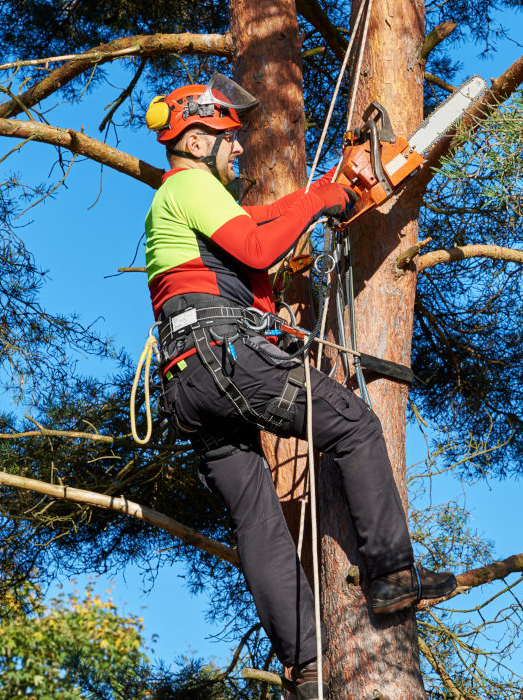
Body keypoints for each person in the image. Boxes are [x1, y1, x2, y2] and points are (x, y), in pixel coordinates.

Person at [144, 74, 457, 699]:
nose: (239, 150)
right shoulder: (190, 187)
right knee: (354, 425)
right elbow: (259, 246)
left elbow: (258, 223)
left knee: (257, 519)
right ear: (199, 137)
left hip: (187, 383)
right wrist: (320, 200)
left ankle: (308, 667)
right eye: (231, 138)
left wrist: (328, 192)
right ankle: (392, 573)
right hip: (222, 359)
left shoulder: (190, 207)